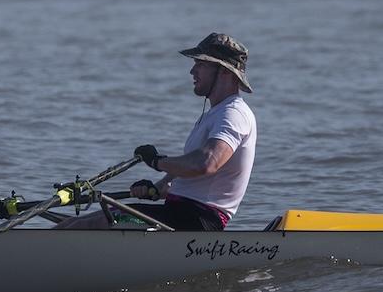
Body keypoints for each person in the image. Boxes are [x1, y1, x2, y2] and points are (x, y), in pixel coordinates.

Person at [60, 31, 257, 231]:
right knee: (71, 224)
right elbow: (191, 175)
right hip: (178, 213)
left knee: (84, 226)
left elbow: (207, 163)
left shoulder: (234, 114)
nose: (192, 71)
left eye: (201, 64)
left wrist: (157, 161)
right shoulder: (216, 114)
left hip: (197, 220)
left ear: (224, 71)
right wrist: (156, 188)